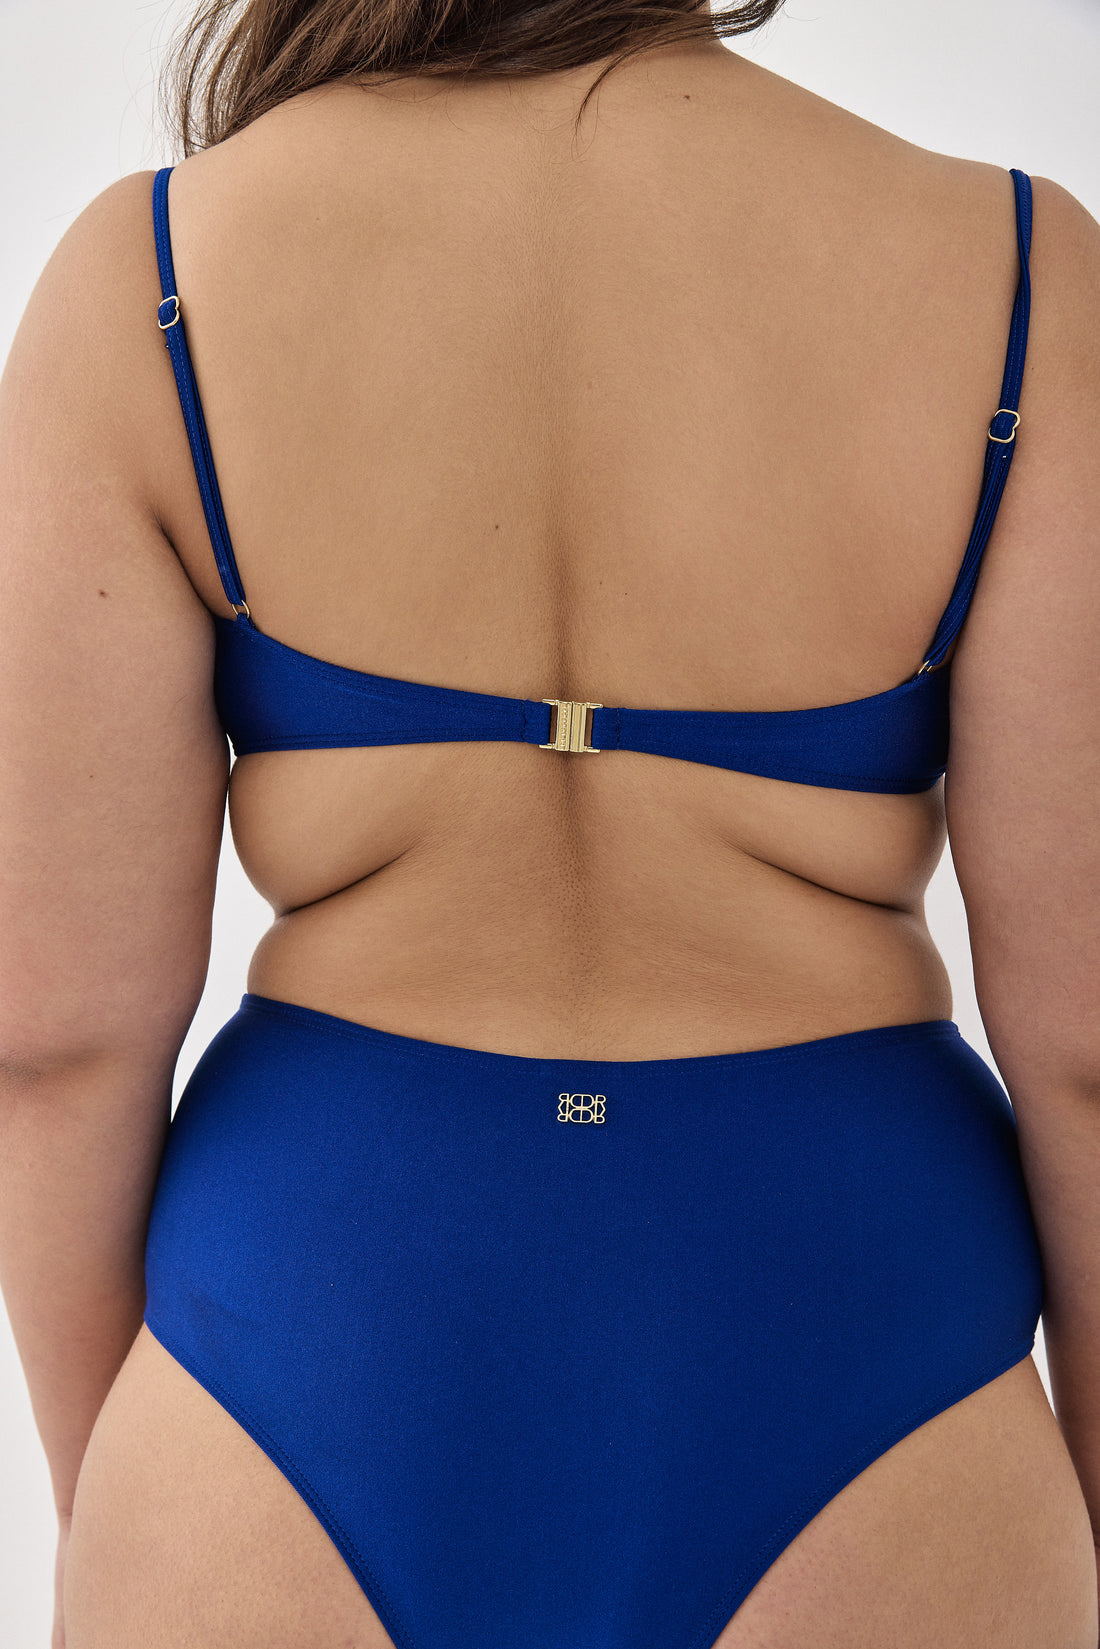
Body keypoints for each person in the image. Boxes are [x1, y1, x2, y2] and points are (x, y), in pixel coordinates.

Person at [0, 0, 1097, 1644]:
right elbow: (1087, 1047)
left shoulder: (148, 276)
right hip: (855, 1326)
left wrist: (126, 1505)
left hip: (305, 1336)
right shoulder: (1019, 271)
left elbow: (54, 1043)